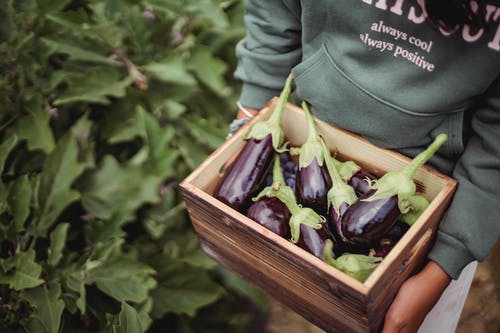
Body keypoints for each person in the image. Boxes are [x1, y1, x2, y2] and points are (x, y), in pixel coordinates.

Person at [231, 0, 500, 332]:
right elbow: (275, 11)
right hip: (306, 160)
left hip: (436, 219)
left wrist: (442, 266)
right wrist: (251, 122)